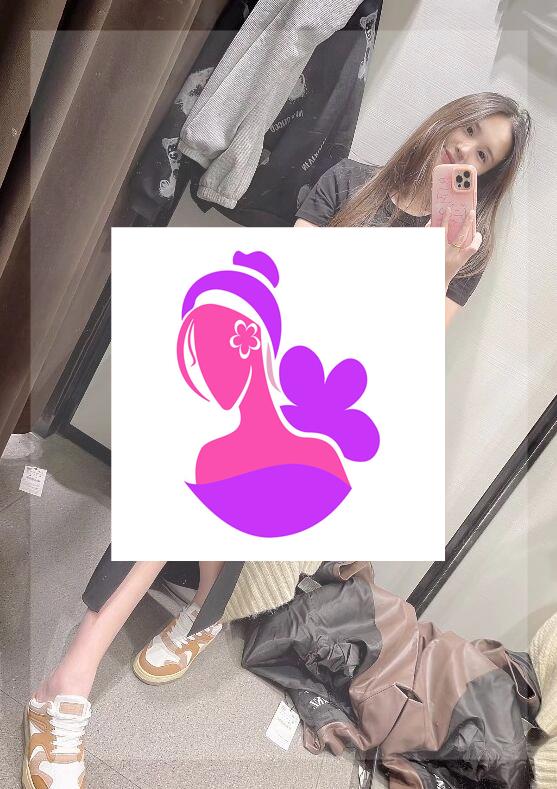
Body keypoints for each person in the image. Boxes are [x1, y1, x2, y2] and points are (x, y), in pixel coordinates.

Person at [294, 93, 531, 327]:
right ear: (451, 118)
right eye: (469, 129)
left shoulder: (463, 247)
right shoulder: (346, 178)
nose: (464, 148)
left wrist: (440, 275)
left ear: (484, 176)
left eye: (481, 155)